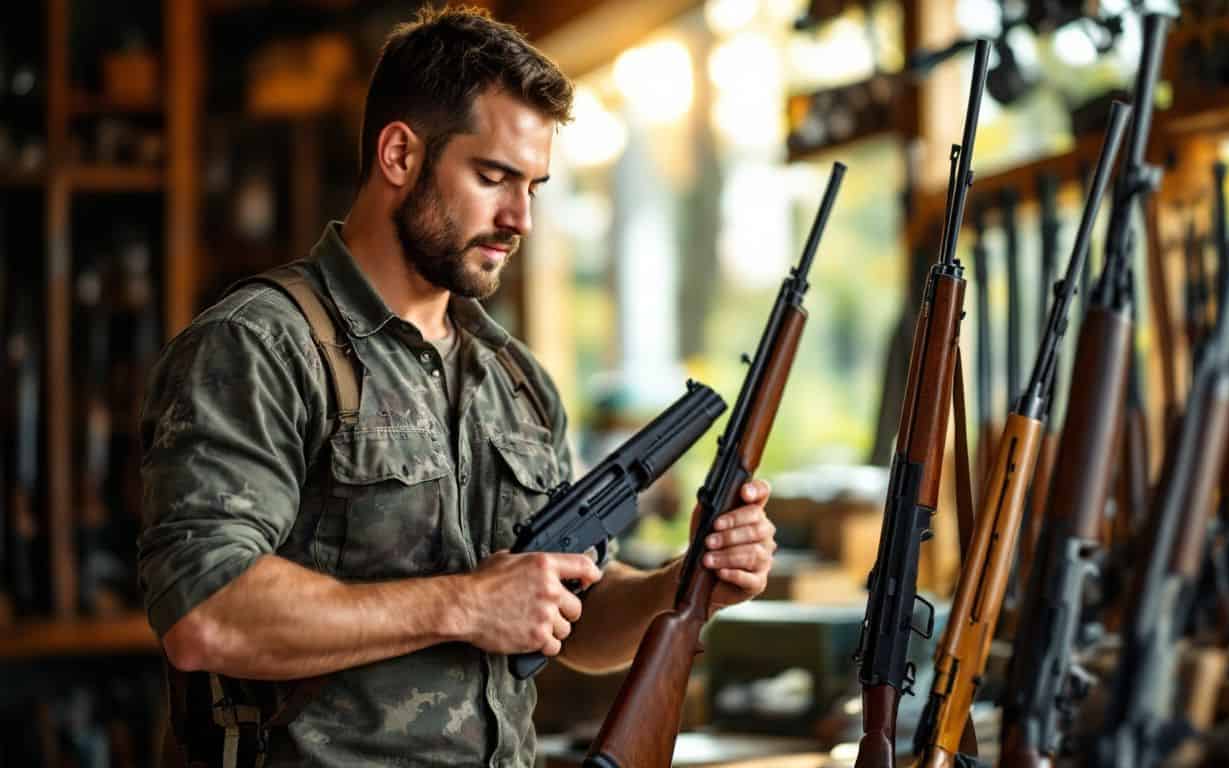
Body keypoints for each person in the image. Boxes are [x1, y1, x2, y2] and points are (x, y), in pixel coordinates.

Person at [137, 6, 778, 767]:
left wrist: (688, 584)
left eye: (534, 186)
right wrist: (467, 602)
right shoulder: (263, 345)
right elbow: (206, 613)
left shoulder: (518, 382)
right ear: (400, 154)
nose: (521, 219)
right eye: (493, 177)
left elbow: (569, 618)